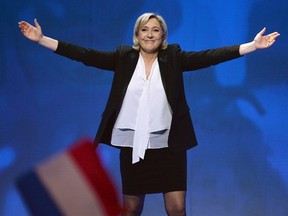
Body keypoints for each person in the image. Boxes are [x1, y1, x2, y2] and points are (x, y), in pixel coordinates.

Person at [18, 13, 279, 216]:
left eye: (155, 30)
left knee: (176, 209)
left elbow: (209, 57)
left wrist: (252, 47)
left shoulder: (174, 57)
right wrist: (42, 39)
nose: (149, 34)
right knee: (131, 209)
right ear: (137, 34)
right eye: (144, 29)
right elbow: (85, 55)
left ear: (163, 35)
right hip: (133, 146)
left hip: (169, 146)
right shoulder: (123, 57)